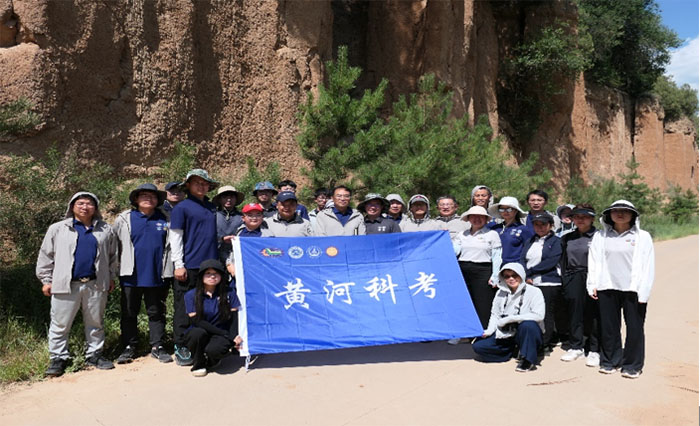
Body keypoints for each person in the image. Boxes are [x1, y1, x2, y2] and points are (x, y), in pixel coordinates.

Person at [36, 192, 118, 376]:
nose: (85, 207)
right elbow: (46, 255)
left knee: (95, 322)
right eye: (80, 203)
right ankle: (58, 358)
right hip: (65, 284)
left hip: (95, 284)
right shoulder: (58, 229)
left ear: (95, 208)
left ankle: (94, 354)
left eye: (90, 204)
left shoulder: (105, 229)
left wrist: (111, 277)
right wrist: (46, 280)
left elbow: (113, 256)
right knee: (60, 323)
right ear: (72, 206)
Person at [587, 200, 654, 379]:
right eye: (615, 211)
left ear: (633, 215)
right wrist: (592, 284)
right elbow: (593, 261)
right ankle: (610, 360)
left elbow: (648, 266)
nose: (620, 214)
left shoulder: (643, 237)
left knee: (635, 327)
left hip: (633, 289)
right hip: (606, 286)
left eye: (625, 211)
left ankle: (632, 365)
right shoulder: (601, 236)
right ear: (609, 215)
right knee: (609, 327)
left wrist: (644, 291)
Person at [169, 169, 219, 366]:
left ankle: (203, 343)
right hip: (189, 266)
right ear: (188, 186)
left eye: (204, 183)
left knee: (207, 307)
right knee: (183, 307)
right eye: (196, 182)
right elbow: (175, 237)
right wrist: (178, 264)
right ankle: (180, 345)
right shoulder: (182, 207)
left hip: (211, 266)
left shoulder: (210, 206)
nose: (201, 186)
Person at [472, 263, 545, 372]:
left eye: (515, 275)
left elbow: (539, 315)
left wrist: (510, 319)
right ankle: (513, 352)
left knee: (528, 325)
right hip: (505, 334)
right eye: (507, 276)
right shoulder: (500, 293)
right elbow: (495, 315)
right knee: (478, 346)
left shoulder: (534, 291)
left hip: (525, 332)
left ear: (521, 275)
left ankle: (527, 359)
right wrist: (489, 331)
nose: (511, 279)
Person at [184, 259, 242, 377]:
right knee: (197, 334)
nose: (212, 276)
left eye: (215, 273)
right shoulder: (191, 295)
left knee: (215, 350)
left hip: (221, 332)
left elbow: (234, 317)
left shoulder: (229, 293)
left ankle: (212, 361)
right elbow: (197, 321)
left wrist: (233, 336)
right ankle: (199, 363)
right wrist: (223, 334)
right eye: (208, 273)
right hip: (202, 330)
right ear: (201, 276)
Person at [559, 204, 600, 366]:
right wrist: (565, 280)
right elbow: (563, 261)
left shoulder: (599, 236)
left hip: (594, 276)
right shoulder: (567, 237)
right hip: (573, 276)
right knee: (574, 312)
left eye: (584, 217)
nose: (580, 220)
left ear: (592, 218)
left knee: (595, 313)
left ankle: (594, 349)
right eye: (577, 217)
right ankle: (576, 346)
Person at [452, 206, 502, 337]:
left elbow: (497, 256)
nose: (477, 219)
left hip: (483, 270)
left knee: (483, 303)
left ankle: (483, 332)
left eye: (481, 217)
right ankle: (463, 333)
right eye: (473, 216)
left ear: (486, 219)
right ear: (468, 219)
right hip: (463, 269)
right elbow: (455, 251)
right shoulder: (462, 234)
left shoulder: (492, 234)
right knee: (465, 303)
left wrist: (495, 275)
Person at [519, 212, 562, 353]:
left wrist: (531, 272)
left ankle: (545, 343)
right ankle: (532, 340)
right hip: (530, 282)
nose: (540, 227)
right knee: (531, 312)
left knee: (546, 314)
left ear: (551, 225)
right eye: (536, 224)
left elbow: (551, 261)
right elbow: (522, 259)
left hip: (548, 282)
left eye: (543, 224)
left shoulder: (556, 241)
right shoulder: (531, 240)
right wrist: (525, 274)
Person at [226, 203, 271, 277]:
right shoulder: (238, 232)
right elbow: (231, 253)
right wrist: (229, 265)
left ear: (262, 217)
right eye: (250, 215)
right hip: (239, 274)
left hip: (261, 275)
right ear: (243, 218)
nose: (254, 218)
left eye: (258, 214)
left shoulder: (268, 235)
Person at [487, 196, 534, 264]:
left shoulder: (523, 229)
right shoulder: (495, 229)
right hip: (494, 266)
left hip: (514, 267)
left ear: (516, 210)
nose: (505, 212)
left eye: (509, 209)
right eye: (502, 209)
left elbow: (530, 250)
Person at [212, 185, 244, 264]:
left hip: (235, 255)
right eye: (225, 197)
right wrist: (221, 239)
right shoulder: (212, 215)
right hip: (215, 254)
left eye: (232, 197)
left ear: (236, 199)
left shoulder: (242, 217)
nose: (229, 200)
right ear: (219, 199)